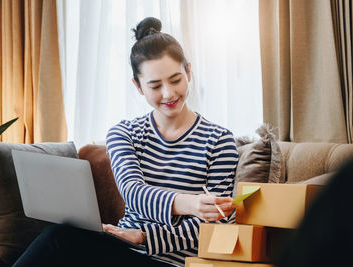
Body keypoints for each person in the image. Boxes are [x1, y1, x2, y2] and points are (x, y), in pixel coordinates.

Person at [13, 17, 239, 267]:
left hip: (174, 262)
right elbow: (133, 193)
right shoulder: (124, 133)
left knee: (59, 240)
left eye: (176, 80)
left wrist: (145, 237)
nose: (168, 93)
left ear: (188, 71)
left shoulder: (220, 140)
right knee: (60, 237)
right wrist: (191, 203)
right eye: (155, 85)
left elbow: (215, 224)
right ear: (138, 87)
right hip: (119, 251)